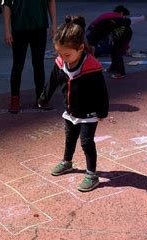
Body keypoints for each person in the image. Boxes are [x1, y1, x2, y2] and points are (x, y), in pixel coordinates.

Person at [38, 16, 109, 192]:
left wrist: (102, 111)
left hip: (89, 113)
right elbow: (53, 81)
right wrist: (44, 97)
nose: (63, 57)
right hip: (70, 110)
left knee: (86, 143)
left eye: (67, 54)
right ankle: (67, 162)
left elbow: (101, 91)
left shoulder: (92, 67)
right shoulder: (61, 62)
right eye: (59, 53)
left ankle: (92, 174)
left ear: (80, 48)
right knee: (70, 138)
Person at [3, 0, 57, 114]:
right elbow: (7, 6)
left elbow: (51, 2)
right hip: (19, 28)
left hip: (39, 27)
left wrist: (54, 24)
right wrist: (7, 30)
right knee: (18, 64)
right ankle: (15, 98)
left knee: (38, 63)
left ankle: (41, 98)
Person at [86, 5, 132, 79]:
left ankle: (121, 72)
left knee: (117, 53)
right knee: (114, 52)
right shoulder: (116, 18)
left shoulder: (114, 17)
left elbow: (124, 35)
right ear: (121, 13)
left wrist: (126, 46)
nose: (124, 18)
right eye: (124, 16)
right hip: (115, 35)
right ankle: (113, 68)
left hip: (120, 36)